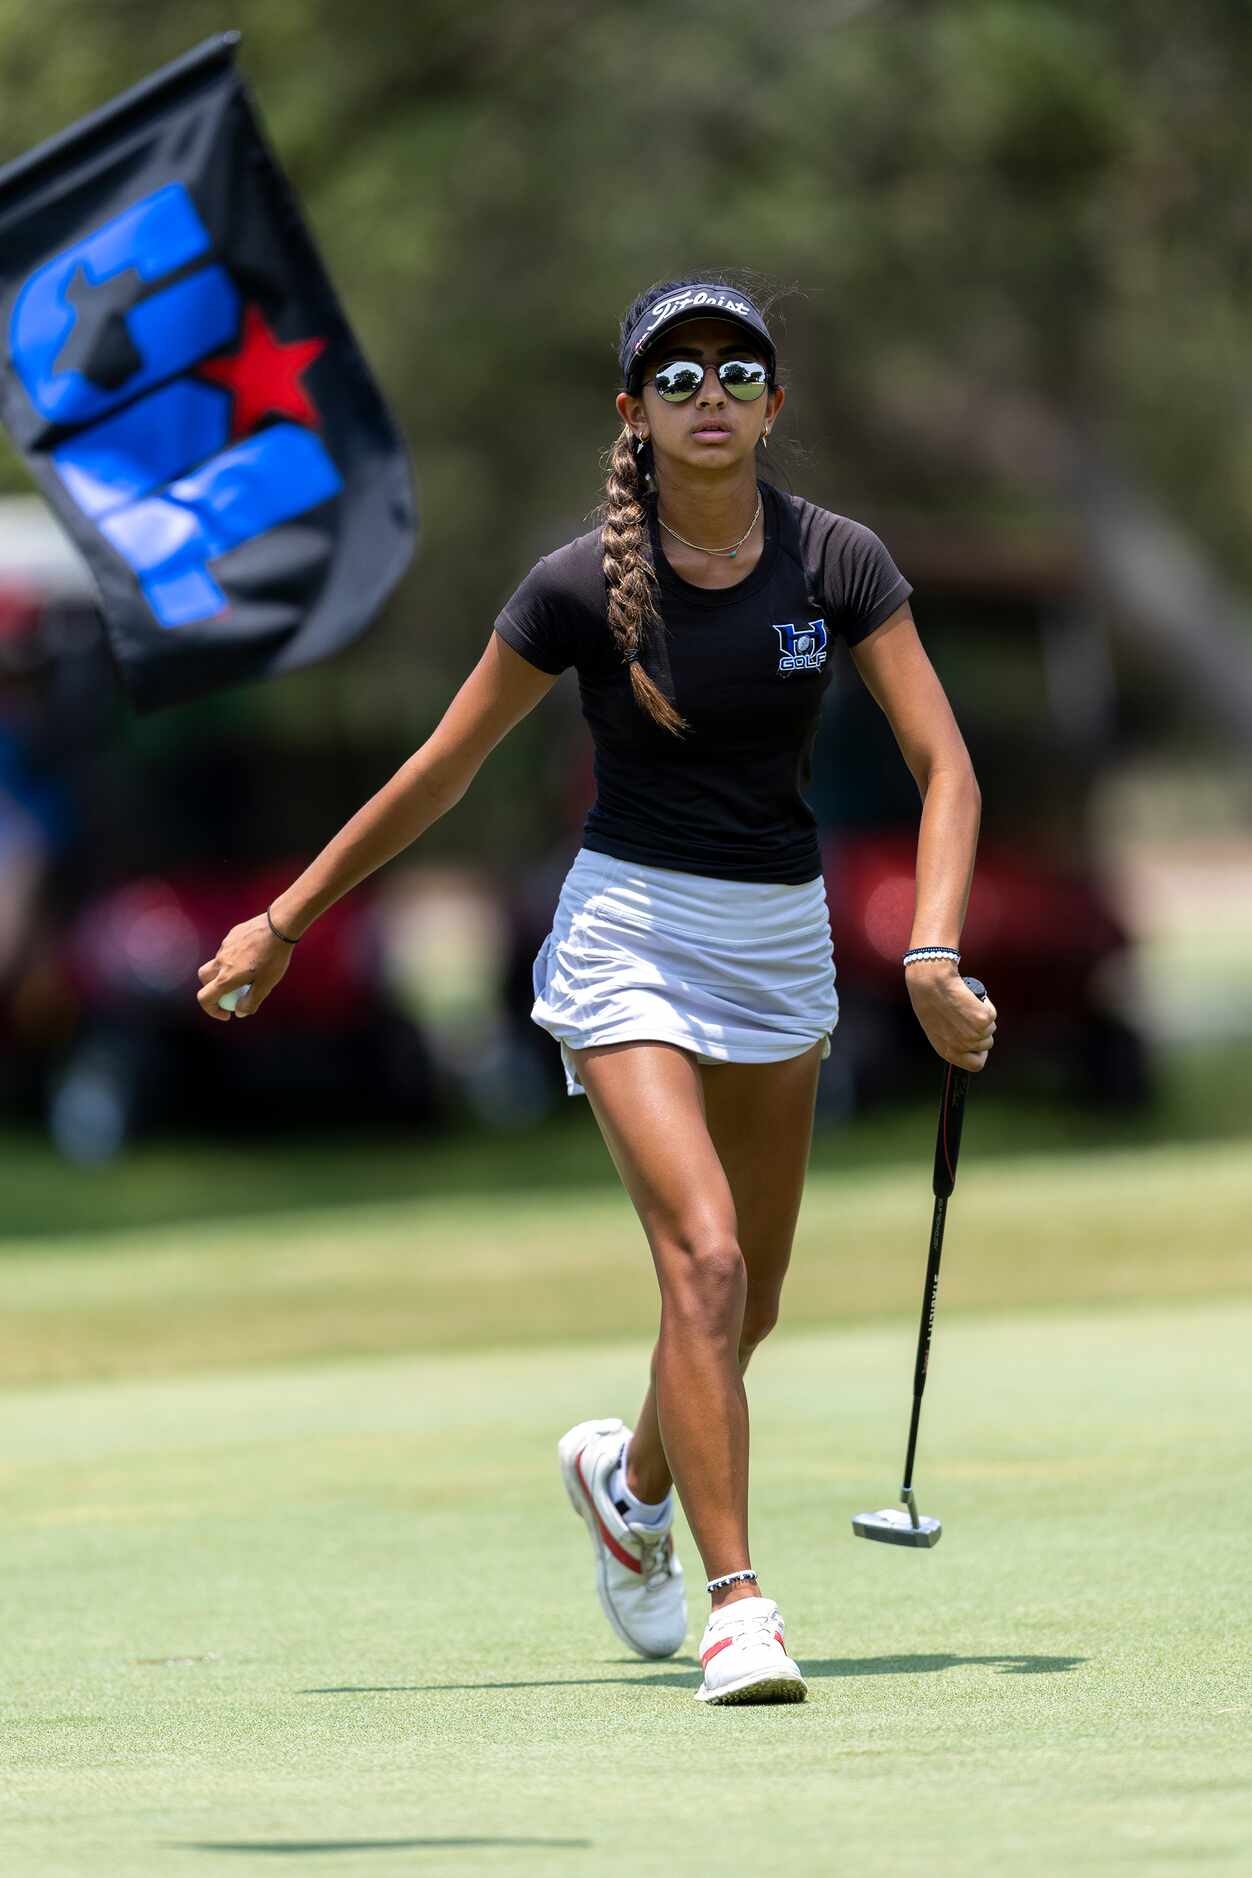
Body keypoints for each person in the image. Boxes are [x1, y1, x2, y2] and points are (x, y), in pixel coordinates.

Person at [197, 273, 996, 1708]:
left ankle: (628, 1483)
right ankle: (737, 1603)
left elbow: (948, 767)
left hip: (779, 946)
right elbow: (441, 769)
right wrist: (284, 917)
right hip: (627, 931)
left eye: (735, 371)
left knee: (744, 1310)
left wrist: (930, 953)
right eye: (676, 376)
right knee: (703, 1264)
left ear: (773, 403)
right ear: (633, 413)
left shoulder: (838, 561)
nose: (709, 395)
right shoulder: (573, 588)